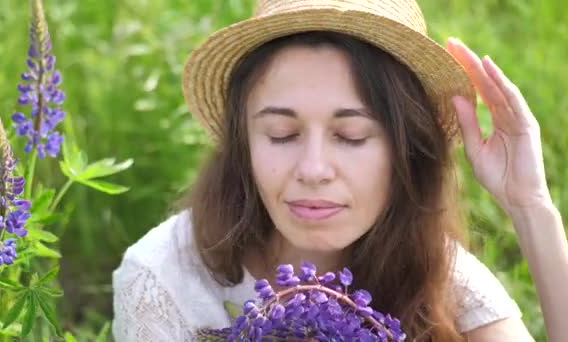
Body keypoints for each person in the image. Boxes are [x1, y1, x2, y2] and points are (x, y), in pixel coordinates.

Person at [111, 0, 568, 341]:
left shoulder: (432, 265)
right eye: (282, 134)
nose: (313, 170)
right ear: (243, 144)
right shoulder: (165, 279)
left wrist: (531, 208)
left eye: (351, 137)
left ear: (406, 151)